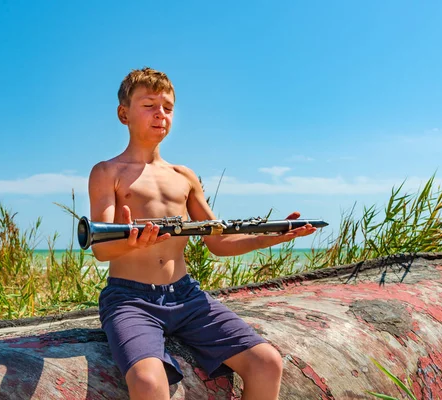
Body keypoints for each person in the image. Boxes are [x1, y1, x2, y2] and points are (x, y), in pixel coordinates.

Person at [89, 67, 316, 400]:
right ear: (124, 113)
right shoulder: (107, 172)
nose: (160, 114)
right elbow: (101, 250)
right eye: (149, 105)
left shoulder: (185, 176)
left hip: (186, 296)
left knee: (267, 361)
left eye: (167, 107)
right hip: (130, 300)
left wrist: (272, 236)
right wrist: (128, 242)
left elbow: (218, 241)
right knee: (150, 383)